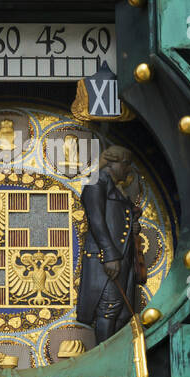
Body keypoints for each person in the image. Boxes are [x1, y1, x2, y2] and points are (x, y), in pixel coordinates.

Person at [77, 146, 146, 342]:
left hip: (122, 256)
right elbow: (96, 220)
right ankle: (104, 355)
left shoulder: (115, 186)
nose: (127, 170)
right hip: (107, 258)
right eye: (125, 165)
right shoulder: (96, 182)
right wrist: (109, 254)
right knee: (109, 307)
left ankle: (111, 351)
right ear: (113, 162)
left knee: (123, 312)